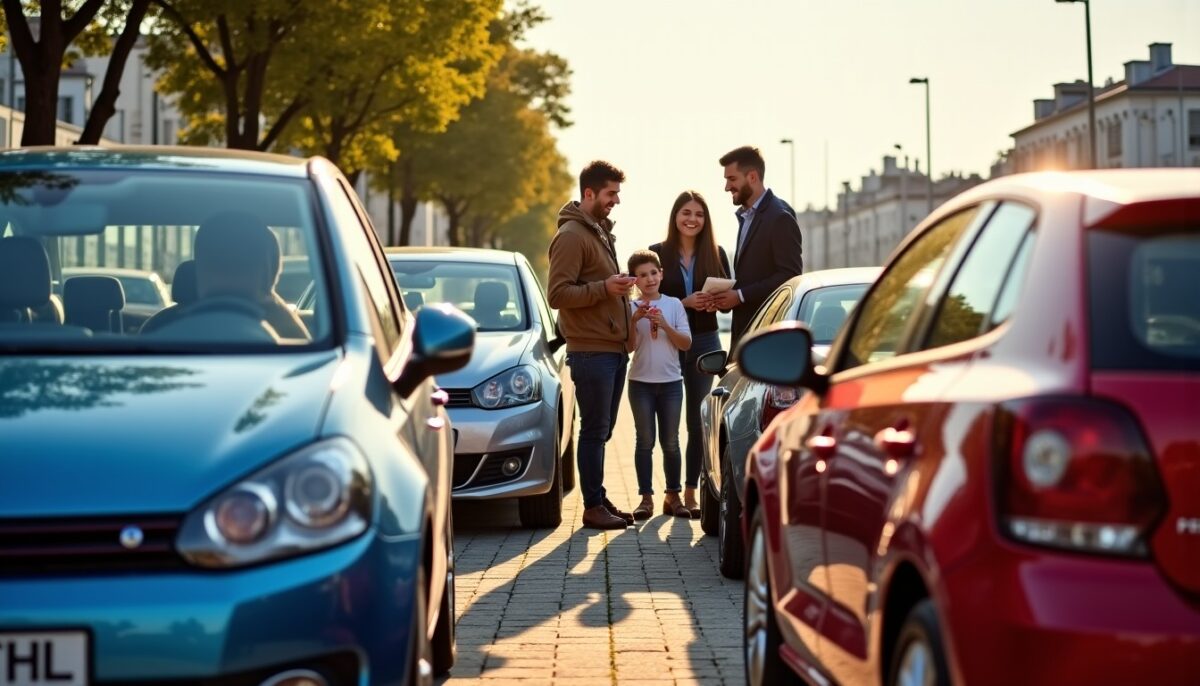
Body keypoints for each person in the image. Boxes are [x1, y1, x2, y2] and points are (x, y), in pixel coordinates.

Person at [547, 160, 638, 531]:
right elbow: (557, 294)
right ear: (589, 193)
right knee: (594, 430)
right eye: (610, 194)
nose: (616, 200)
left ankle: (597, 497)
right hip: (591, 350)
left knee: (602, 430)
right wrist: (605, 288)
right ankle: (592, 507)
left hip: (611, 349)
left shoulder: (599, 233)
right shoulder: (572, 235)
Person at [648, 191, 730, 517]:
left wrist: (715, 301)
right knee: (667, 423)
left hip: (706, 340)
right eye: (686, 212)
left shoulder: (717, 253)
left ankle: (691, 491)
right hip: (667, 342)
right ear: (675, 216)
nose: (692, 219)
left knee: (698, 420)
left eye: (698, 214)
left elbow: (727, 295)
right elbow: (648, 301)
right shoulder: (656, 254)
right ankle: (669, 493)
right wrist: (684, 303)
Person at [709, 146, 803, 347]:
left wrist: (740, 296)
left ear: (752, 177)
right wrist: (726, 295)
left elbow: (790, 275)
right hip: (746, 333)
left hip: (767, 335)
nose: (727, 187)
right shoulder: (747, 216)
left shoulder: (779, 217)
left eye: (732, 179)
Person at [624, 250, 692, 520]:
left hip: (671, 383)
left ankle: (673, 497)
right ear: (634, 281)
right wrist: (633, 321)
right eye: (642, 275)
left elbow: (686, 343)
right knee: (644, 441)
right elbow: (628, 347)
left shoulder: (674, 305)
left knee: (671, 442)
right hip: (640, 383)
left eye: (653, 273)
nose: (649, 279)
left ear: (661, 274)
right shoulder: (630, 308)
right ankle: (646, 499)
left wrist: (663, 323)